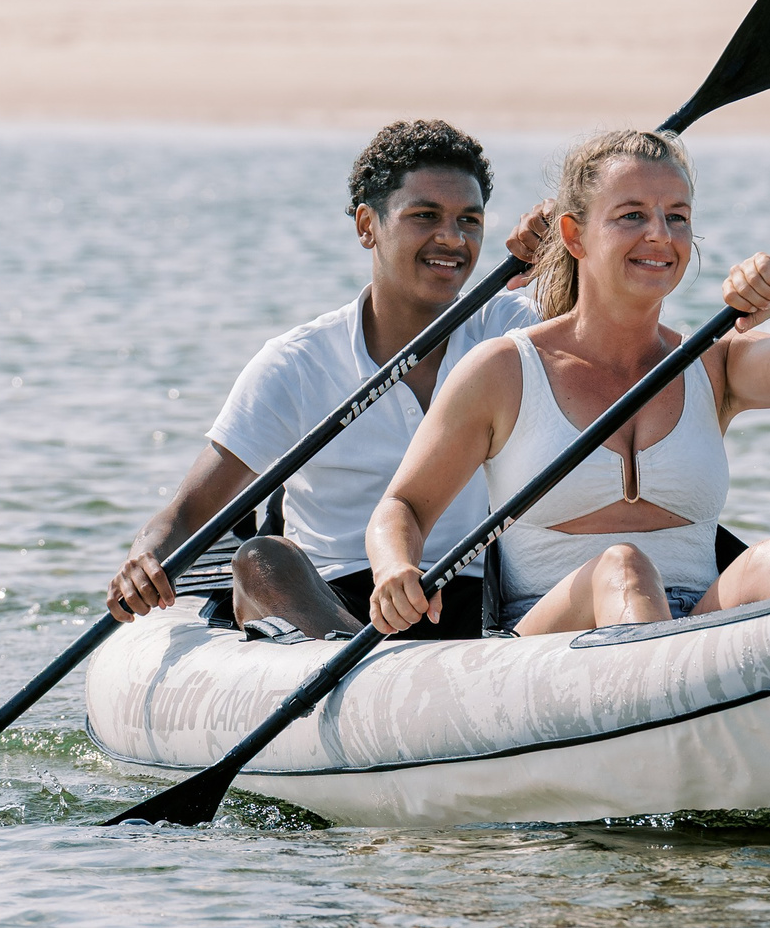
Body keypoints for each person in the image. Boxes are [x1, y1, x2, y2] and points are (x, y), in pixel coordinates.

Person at [367, 128, 770, 637]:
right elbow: (403, 507)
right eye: (632, 215)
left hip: (695, 625)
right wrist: (395, 568)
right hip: (546, 645)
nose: (660, 234)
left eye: (677, 217)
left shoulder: (711, 364)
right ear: (574, 236)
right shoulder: (504, 369)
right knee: (622, 567)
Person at [104, 120, 550, 640]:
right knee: (260, 557)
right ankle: (362, 672)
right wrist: (145, 557)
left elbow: (610, 295)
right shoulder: (296, 363)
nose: (452, 239)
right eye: (424, 216)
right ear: (367, 225)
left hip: (475, 595)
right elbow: (186, 514)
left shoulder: (514, 326)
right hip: (331, 600)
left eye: (469, 221)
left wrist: (568, 230)